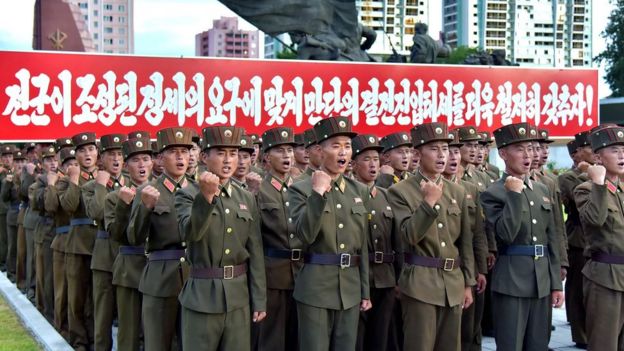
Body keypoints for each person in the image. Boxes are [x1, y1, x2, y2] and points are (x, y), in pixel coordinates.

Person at [174, 126, 266, 350]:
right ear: (205, 157)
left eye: (233, 153)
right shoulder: (187, 194)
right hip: (202, 296)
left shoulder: (245, 196)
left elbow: (255, 250)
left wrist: (259, 298)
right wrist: (205, 197)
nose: (228, 160)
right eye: (221, 153)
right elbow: (191, 233)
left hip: (238, 298)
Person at [387, 122, 475, 351]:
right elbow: (408, 236)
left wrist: (467, 283)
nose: (442, 155)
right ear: (418, 153)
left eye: (445, 149)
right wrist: (428, 203)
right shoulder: (401, 191)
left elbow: (465, 242)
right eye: (434, 148)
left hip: (453, 283)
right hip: (420, 283)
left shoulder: (457, 191)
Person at [288, 116, 372, 351]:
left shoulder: (359, 191)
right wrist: (318, 193)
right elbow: (305, 234)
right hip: (315, 288)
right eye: (336, 145)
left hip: (350, 288)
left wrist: (364, 290)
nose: (343, 152)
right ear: (319, 150)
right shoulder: (300, 189)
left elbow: (362, 246)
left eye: (347, 145)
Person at [480, 122, 564, 351]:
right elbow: (505, 235)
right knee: (511, 344)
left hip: (542, 280)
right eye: (520, 149)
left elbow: (552, 239)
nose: (528, 155)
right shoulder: (492, 192)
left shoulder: (541, 190)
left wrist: (556, 284)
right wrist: (514, 196)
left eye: (530, 148)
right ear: (503, 154)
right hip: (511, 280)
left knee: (539, 344)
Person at [127, 127, 195, 351]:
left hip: (195, 277)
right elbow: (134, 237)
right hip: (160, 277)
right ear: (160, 158)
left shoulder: (199, 191)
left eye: (184, 152)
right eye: (173, 152)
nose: (180, 157)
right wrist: (145, 208)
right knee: (158, 343)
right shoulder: (148, 191)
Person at [574, 124, 624, 351]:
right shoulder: (586, 189)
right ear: (598, 156)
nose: (622, 155)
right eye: (614, 150)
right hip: (605, 278)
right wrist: (599, 183)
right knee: (605, 344)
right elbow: (595, 220)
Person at [252, 127, 302, 351]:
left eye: (290, 151)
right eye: (280, 151)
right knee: (271, 340)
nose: (287, 156)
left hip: (302, 275)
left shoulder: (302, 189)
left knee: (298, 337)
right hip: (272, 276)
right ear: (266, 158)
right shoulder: (258, 190)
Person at [104, 136, 153, 350]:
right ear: (126, 165)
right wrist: (123, 206)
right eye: (135, 160)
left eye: (146, 158)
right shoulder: (114, 197)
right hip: (130, 269)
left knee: (157, 331)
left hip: (159, 270)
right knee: (129, 331)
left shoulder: (167, 193)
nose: (142, 165)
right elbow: (115, 234)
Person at [351, 134, 398, 351]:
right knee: (357, 339)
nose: (373, 164)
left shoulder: (387, 196)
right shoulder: (348, 195)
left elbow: (398, 241)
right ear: (353, 164)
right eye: (367, 159)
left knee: (380, 338)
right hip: (358, 277)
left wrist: (399, 277)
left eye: (376, 159)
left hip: (385, 277)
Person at [83, 134, 129, 351]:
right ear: (101, 158)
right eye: (112, 154)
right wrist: (101, 186)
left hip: (129, 255)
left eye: (120, 154)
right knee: (103, 316)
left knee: (129, 317)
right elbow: (97, 212)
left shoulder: (131, 182)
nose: (117, 159)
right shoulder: (92, 186)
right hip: (105, 257)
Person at [443, 130, 488, 351]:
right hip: (443, 267)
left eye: (455, 152)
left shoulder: (469, 189)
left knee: (470, 325)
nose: (452, 157)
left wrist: (480, 270)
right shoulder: (426, 189)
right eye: (447, 152)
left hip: (468, 266)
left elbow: (477, 233)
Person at [57, 132, 100, 350]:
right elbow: (69, 206)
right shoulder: (66, 181)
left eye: (91, 149)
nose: (87, 154)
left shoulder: (105, 177)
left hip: (100, 246)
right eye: (82, 150)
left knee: (97, 299)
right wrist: (73, 179)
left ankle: (96, 339)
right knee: (77, 298)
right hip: (77, 245)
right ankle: (79, 341)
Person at [558, 134, 591, 348]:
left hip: (597, 240)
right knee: (577, 288)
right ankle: (580, 334)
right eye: (588, 147)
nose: (593, 150)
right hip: (578, 238)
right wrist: (588, 174)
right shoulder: (569, 177)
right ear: (576, 153)